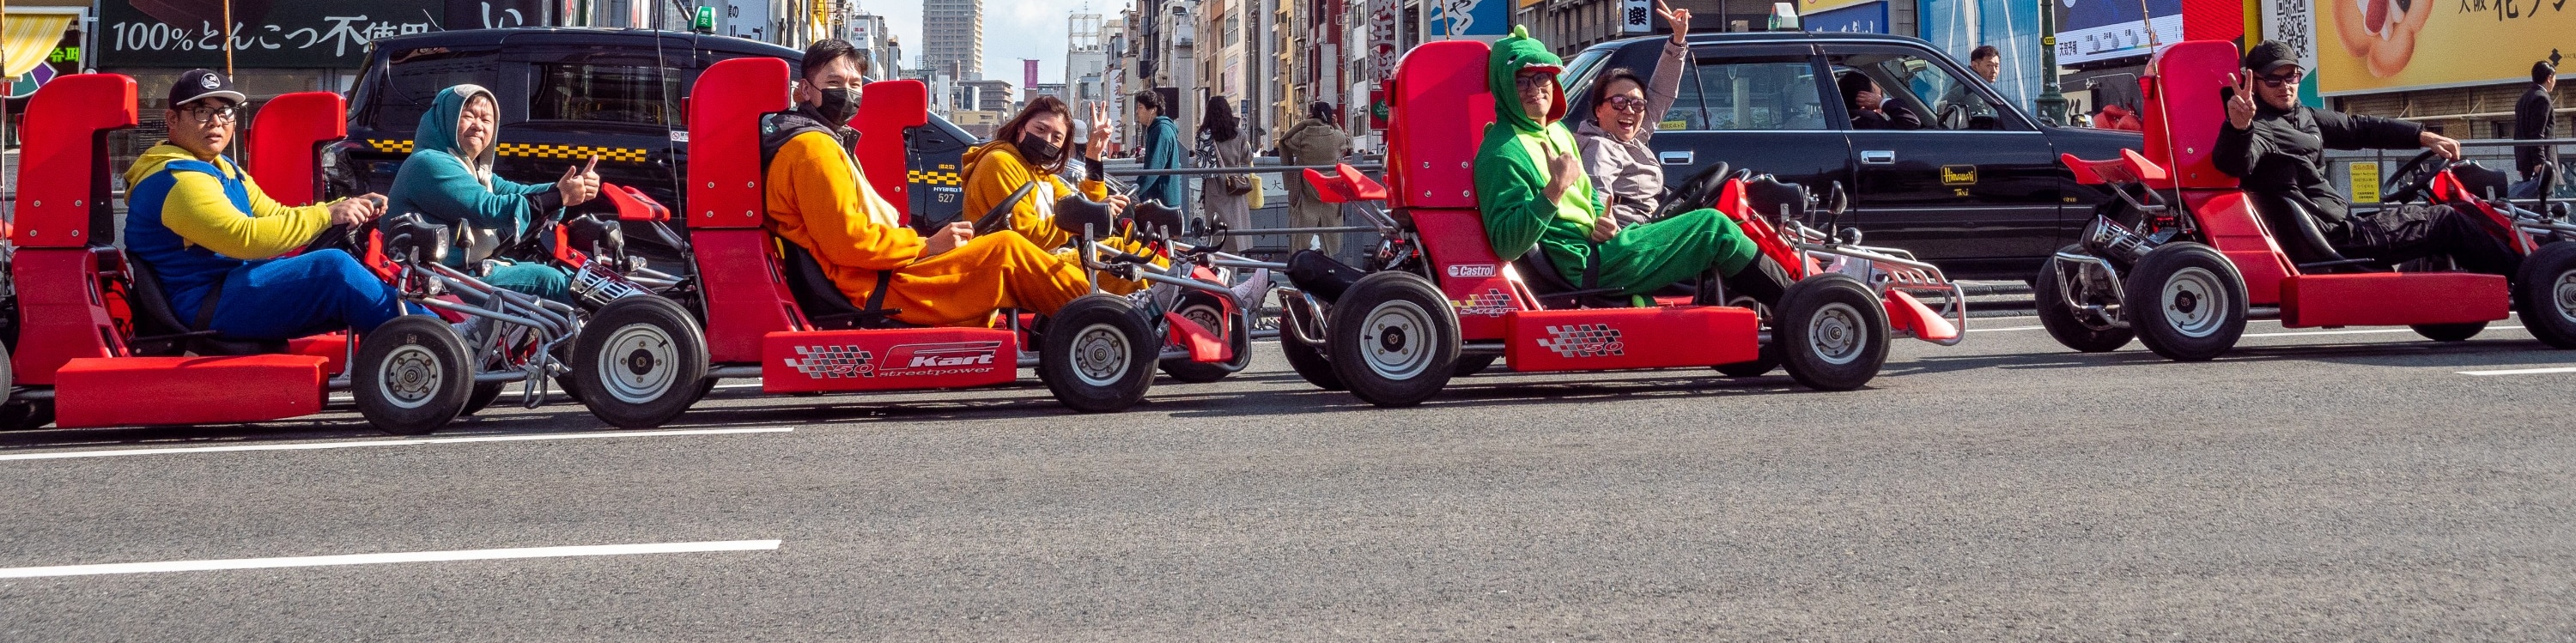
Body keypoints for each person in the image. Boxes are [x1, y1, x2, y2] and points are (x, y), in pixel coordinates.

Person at [764, 39, 1101, 327]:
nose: (849, 93)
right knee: (1006, 250)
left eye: (855, 84)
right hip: (869, 287)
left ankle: (1104, 310)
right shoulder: (812, 149)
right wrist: (927, 245)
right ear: (805, 89)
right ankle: (1104, 318)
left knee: (1007, 251)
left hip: (873, 276)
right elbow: (850, 244)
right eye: (835, 83)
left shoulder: (821, 143)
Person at [1473, 26, 1792, 306]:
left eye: (1541, 77)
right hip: (1585, 263)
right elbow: (1507, 243)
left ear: (1553, 79)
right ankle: (1805, 306)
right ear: (1503, 86)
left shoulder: (1556, 131)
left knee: (1719, 224)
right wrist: (1554, 190)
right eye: (1521, 81)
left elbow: (1593, 197)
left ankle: (1786, 306)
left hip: (1603, 244)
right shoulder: (1503, 152)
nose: (1535, 89)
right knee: (1713, 227)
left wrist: (1604, 219)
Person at [122, 69, 409, 342]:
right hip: (203, 303)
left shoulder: (223, 168)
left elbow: (276, 215)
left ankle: (416, 330)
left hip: (229, 287)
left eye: (225, 111)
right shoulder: (177, 180)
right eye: (201, 111)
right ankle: (427, 331)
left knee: (341, 266)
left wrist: (342, 207)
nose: (216, 122)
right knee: (333, 269)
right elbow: (245, 238)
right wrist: (327, 215)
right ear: (172, 119)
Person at [2215, 41, 2518, 276]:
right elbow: (2235, 164)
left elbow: (2360, 128)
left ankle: (2483, 287)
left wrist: (2422, 136)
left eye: (2291, 76)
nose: (2286, 86)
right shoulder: (2260, 127)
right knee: (2446, 218)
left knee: (2431, 218)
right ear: (2254, 83)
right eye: (2273, 80)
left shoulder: (2304, 116)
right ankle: (2529, 276)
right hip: (2339, 238)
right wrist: (2239, 127)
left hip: (2340, 227)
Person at [385, 85, 601, 303]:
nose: (478, 126)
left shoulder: (471, 169)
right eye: (468, 116)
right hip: (436, 282)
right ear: (446, 120)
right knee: (550, 281)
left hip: (464, 272)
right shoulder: (429, 162)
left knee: (565, 274)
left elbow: (516, 192)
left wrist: (565, 188)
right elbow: (487, 209)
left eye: (486, 120)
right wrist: (559, 196)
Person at [1574, 0, 1690, 225]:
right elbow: (1596, 197)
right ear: (1599, 109)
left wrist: (1677, 40)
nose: (1629, 110)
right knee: (1716, 227)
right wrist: (1603, 224)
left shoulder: (1632, 137)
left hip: (1654, 220)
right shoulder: (1599, 147)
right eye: (1619, 102)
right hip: (1632, 234)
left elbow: (1661, 93)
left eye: (1637, 104)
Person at [1279, 100, 1353, 252]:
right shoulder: (1336, 136)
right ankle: (1329, 262)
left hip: (1307, 188)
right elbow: (1349, 142)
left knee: (1302, 230)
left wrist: (1304, 123)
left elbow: (1285, 140)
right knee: (1330, 231)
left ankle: (1300, 258)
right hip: (1330, 189)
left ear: (1312, 116)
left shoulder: (1301, 137)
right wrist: (1336, 125)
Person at [1196, 95, 1255, 238]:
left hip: (1214, 185)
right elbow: (1248, 158)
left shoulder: (1204, 135)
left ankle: (1219, 255)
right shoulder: (1239, 133)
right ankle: (1235, 257)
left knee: (1217, 228)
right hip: (1235, 183)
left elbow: (1199, 164)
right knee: (1236, 225)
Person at [1129, 89, 1186, 209]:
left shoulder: (1161, 131)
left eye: (1140, 107)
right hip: (1162, 198)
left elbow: (1154, 168)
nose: (1137, 112)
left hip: (1162, 200)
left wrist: (1133, 192)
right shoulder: (1158, 129)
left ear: (1153, 110)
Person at [2513, 59, 2557, 198]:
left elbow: (2517, 134)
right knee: (2544, 204)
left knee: (2531, 207)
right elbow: (2537, 133)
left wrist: (2519, 164)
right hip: (2539, 163)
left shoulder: (2523, 99)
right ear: (2549, 78)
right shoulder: (2542, 98)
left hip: (2526, 161)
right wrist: (2539, 162)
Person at [1936, 45, 2002, 130]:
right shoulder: (1972, 91)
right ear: (1975, 66)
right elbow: (1987, 123)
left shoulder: (1968, 83)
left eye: (1996, 66)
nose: (1994, 71)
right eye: (1989, 65)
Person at [1840, 72, 1922, 130]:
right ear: (1866, 97)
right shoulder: (1871, 124)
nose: (1878, 95)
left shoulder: (1840, 121)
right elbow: (1911, 122)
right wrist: (1881, 102)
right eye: (1874, 91)